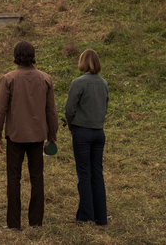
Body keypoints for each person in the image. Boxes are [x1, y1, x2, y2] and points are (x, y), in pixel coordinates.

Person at [0, 41, 58, 230]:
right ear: (33, 55)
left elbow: (0, 110)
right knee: (37, 178)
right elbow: (51, 110)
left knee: (14, 178)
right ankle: (36, 222)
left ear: (15, 56)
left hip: (15, 136)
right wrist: (52, 135)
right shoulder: (46, 78)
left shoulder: (8, 79)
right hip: (38, 136)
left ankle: (13, 223)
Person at [64, 49, 108, 226]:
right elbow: (105, 106)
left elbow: (69, 109)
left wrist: (72, 125)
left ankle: (85, 216)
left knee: (84, 173)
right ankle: (101, 217)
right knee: (97, 173)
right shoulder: (104, 83)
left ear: (82, 62)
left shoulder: (78, 83)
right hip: (99, 132)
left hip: (82, 132)